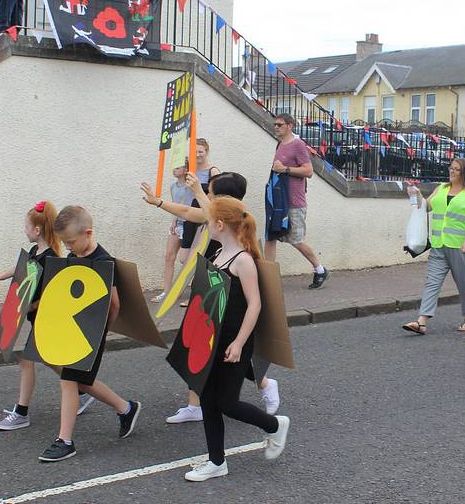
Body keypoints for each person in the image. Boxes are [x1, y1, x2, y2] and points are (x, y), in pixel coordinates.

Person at [139, 172, 282, 424]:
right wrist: (158, 202)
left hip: (232, 289)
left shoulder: (233, 220)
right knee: (201, 346)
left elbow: (210, 214)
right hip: (212, 284)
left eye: (213, 194)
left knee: (230, 349)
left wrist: (197, 192)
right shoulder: (214, 214)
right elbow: (189, 212)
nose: (209, 197)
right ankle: (196, 404)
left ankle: (264, 383)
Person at [183, 197, 290, 482]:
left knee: (228, 403)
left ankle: (274, 425)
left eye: (209, 221)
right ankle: (217, 462)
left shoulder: (243, 260)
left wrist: (240, 342)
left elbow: (254, 304)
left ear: (219, 225)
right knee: (207, 400)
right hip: (211, 341)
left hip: (233, 342)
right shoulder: (218, 254)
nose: (206, 225)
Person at [38, 206, 141, 462]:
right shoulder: (75, 256)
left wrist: (101, 332)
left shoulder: (104, 262)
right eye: (65, 243)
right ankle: (126, 408)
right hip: (72, 331)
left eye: (71, 242)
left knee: (68, 381)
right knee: (82, 381)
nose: (69, 247)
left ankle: (65, 440)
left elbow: (114, 304)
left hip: (90, 335)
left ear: (88, 233)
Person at [0, 201, 97, 430]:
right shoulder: (35, 251)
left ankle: (21, 413)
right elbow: (23, 266)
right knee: (50, 359)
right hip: (35, 318)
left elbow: (52, 296)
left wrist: (29, 306)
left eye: (26, 226)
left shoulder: (50, 258)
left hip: (45, 320)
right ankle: (80, 391)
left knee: (26, 361)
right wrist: (2, 275)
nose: (24, 230)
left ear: (37, 230)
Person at [402, 157, 465, 334]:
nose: (451, 171)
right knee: (432, 282)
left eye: (456, 169)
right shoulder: (441, 188)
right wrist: (415, 194)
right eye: (451, 168)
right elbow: (426, 206)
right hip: (439, 245)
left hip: (460, 247)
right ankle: (421, 322)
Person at [264, 113, 329, 289]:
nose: (276, 127)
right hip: (278, 201)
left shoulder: (298, 145)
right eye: (275, 124)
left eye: (280, 124)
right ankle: (268, 278)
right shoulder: (280, 144)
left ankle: (320, 269)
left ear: (290, 126)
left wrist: (284, 169)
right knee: (270, 237)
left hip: (294, 201)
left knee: (296, 239)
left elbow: (308, 171)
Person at [177, 138, 222, 265]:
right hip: (188, 216)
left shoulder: (213, 171)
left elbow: (217, 195)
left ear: (207, 152)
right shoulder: (190, 170)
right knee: (183, 258)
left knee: (200, 255)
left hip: (203, 218)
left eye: (200, 152)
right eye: (195, 152)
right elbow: (185, 194)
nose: (197, 155)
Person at [153, 166, 194, 303]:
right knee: (169, 256)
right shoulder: (173, 186)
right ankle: (166, 291)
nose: (173, 170)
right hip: (178, 224)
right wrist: (174, 221)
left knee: (186, 260)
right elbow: (176, 206)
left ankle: (186, 291)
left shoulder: (191, 186)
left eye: (177, 167)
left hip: (190, 224)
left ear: (185, 170)